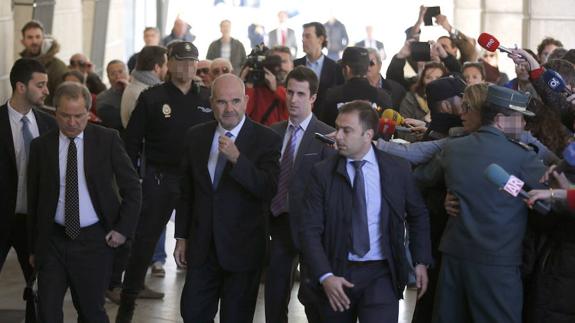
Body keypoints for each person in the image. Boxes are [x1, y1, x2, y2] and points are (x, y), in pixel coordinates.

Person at [415, 85, 547, 323]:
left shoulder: (453, 148)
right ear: (499, 120)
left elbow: (420, 179)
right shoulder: (523, 156)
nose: (524, 126)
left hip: (453, 257)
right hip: (499, 264)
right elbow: (549, 201)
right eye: (519, 120)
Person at [300, 100, 432, 322]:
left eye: (346, 130)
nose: (337, 136)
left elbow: (418, 215)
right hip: (337, 272)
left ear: (368, 134)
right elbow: (309, 230)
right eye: (337, 128)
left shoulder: (396, 169)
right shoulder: (322, 174)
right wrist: (325, 276)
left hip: (382, 274)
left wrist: (420, 261)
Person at [27, 81, 142, 323]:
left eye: (79, 116)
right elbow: (34, 199)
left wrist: (122, 230)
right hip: (53, 242)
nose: (72, 122)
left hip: (94, 241)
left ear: (89, 113)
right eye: (65, 115)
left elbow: (133, 188)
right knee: (46, 313)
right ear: (54, 112)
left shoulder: (107, 140)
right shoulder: (41, 147)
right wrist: (33, 246)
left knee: (91, 313)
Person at [116, 41, 214, 323]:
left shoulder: (207, 98)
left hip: (196, 183)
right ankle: (128, 302)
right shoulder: (152, 97)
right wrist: (132, 184)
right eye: (181, 60)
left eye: (192, 61)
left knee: (200, 244)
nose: (187, 66)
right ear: (168, 63)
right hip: (160, 180)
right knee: (144, 242)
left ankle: (197, 308)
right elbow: (130, 144)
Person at [174, 73, 281, 323]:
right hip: (202, 249)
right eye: (222, 102)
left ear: (245, 101)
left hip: (243, 251)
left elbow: (268, 189)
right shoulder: (195, 136)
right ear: (212, 103)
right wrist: (181, 237)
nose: (229, 108)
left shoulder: (267, 140)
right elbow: (187, 192)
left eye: (235, 101)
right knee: (192, 313)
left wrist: (237, 160)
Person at [265, 66, 336, 323]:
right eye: (290, 92)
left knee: (312, 296)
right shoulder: (273, 132)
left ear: (313, 97)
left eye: (301, 94)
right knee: (274, 293)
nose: (293, 100)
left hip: (312, 227)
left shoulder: (326, 136)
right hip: (279, 223)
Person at [0, 59, 57, 287]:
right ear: (21, 87)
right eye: (40, 85)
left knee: (39, 290)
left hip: (34, 224)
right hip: (1, 217)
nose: (47, 91)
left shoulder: (50, 126)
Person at [320, 46, 393, 127]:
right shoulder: (383, 97)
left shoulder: (332, 95)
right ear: (366, 69)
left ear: (346, 69)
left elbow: (323, 128)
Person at [294, 22, 344, 118]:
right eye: (303, 36)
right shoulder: (295, 65)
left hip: (327, 124)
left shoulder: (335, 68)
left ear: (321, 39)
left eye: (308, 36)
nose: (303, 40)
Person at [19, 20, 68, 106]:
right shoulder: (22, 64)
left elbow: (64, 97)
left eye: (38, 37)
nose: (34, 41)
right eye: (30, 37)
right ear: (23, 41)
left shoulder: (57, 66)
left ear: (43, 39)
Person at [120, 45, 168, 128]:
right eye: (166, 65)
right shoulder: (143, 93)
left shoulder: (136, 86)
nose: (168, 68)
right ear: (157, 67)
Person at [96, 60, 129, 132]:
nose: (118, 76)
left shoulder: (139, 92)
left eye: (121, 72)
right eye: (113, 74)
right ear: (108, 77)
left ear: (128, 73)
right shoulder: (102, 98)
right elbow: (118, 122)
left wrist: (128, 91)